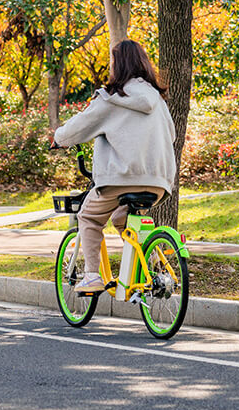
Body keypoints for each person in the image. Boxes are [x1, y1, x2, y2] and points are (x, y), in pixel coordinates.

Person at [53, 39, 176, 292]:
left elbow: (79, 127)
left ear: (118, 66)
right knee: (122, 218)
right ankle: (151, 268)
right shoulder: (158, 100)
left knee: (89, 216)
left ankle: (90, 276)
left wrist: (58, 139)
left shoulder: (111, 98)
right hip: (159, 182)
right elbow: (172, 135)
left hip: (121, 179)